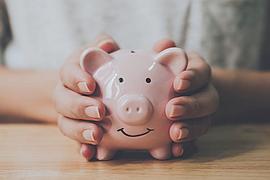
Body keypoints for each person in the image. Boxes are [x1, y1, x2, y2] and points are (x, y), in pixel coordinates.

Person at [0, 0, 269, 160]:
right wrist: (68, 95)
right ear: (94, 65)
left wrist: (224, 91)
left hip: (236, 149)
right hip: (34, 155)